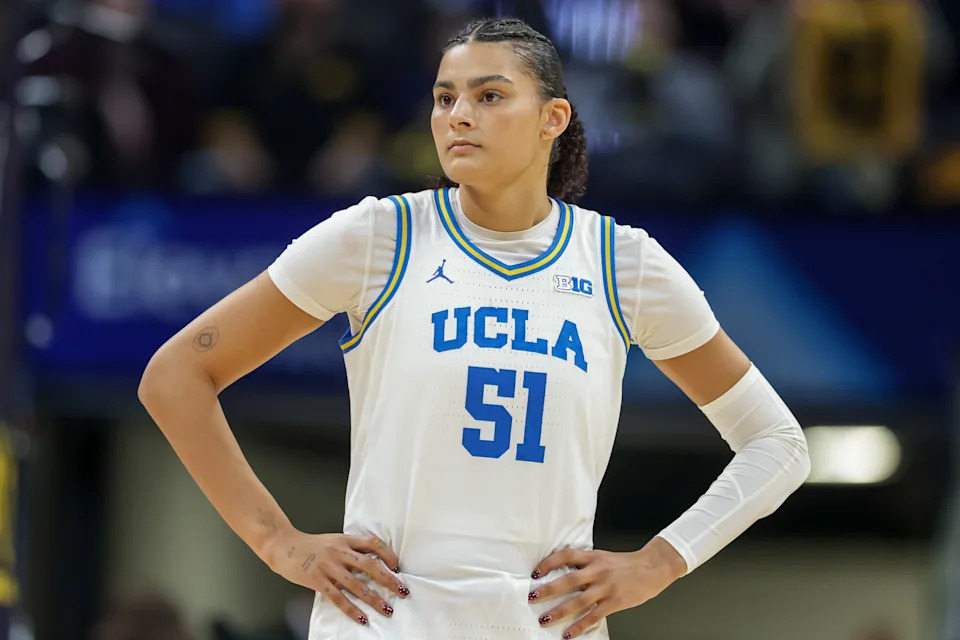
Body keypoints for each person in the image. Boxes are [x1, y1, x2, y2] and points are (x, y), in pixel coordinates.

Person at [138, 17, 811, 640]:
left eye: (490, 96)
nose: (459, 114)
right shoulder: (380, 237)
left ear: (554, 119)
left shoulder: (621, 263)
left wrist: (658, 564)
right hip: (384, 625)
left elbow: (778, 445)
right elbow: (176, 376)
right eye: (444, 97)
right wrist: (279, 542)